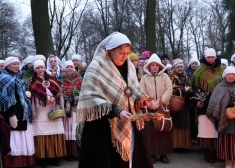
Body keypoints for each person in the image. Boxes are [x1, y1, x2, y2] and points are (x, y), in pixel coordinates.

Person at [76, 32, 153, 168]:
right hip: (103, 125)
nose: (125, 56)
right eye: (121, 52)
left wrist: (140, 100)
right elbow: (91, 97)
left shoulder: (129, 66)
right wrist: (116, 110)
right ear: (110, 50)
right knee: (107, 160)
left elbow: (133, 90)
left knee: (133, 158)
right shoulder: (97, 66)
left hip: (128, 121)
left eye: (127, 53)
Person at [29, 60, 67, 167]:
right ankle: (43, 159)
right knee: (42, 133)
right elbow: (33, 93)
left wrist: (55, 98)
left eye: (42, 67)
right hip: (40, 111)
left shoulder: (51, 79)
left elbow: (59, 90)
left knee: (55, 132)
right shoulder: (33, 81)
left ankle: (54, 157)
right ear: (35, 70)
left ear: (45, 68)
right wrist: (45, 99)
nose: (40, 70)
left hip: (53, 109)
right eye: (38, 68)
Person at [0, 57, 35, 168]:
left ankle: (25, 162)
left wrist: (26, 95)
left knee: (23, 137)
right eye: (14, 64)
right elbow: (2, 98)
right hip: (11, 112)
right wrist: (10, 114)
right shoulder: (3, 78)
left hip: (22, 111)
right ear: (7, 66)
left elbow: (19, 93)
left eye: (18, 64)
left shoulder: (18, 78)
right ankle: (14, 164)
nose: (17, 66)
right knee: (14, 138)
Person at [140, 53, 173, 164]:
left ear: (159, 66)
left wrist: (159, 102)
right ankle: (152, 154)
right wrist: (150, 103)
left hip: (163, 107)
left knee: (163, 129)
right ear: (149, 66)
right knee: (150, 132)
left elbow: (169, 90)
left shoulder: (165, 76)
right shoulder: (144, 78)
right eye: (152, 65)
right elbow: (141, 92)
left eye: (156, 65)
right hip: (149, 109)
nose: (154, 67)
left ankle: (163, 154)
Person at [191, 48, 223, 163]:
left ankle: (216, 151)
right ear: (205, 57)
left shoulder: (221, 69)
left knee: (217, 128)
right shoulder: (199, 71)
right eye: (208, 57)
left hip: (219, 103)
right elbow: (194, 87)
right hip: (204, 103)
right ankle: (207, 152)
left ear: (215, 57)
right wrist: (198, 99)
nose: (210, 59)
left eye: (212, 57)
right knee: (206, 129)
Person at [206, 66, 235, 168]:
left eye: (233, 74)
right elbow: (214, 103)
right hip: (225, 119)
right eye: (229, 74)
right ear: (224, 76)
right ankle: (228, 161)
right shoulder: (220, 87)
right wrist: (228, 105)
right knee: (227, 141)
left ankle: (234, 161)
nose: (231, 76)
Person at [58, 60, 82, 161]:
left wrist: (75, 96)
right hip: (66, 108)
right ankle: (68, 153)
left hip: (76, 107)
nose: (69, 68)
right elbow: (58, 90)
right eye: (67, 67)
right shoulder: (61, 78)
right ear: (64, 68)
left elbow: (83, 90)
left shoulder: (78, 78)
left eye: (71, 67)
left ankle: (77, 152)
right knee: (67, 129)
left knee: (76, 129)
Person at [169, 58, 192, 152]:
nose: (180, 68)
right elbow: (170, 90)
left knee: (185, 124)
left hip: (185, 103)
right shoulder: (171, 77)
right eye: (178, 67)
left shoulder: (185, 76)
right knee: (177, 124)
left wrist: (189, 90)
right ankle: (176, 146)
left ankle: (183, 145)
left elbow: (189, 86)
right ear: (174, 67)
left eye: (181, 66)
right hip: (176, 103)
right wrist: (183, 90)